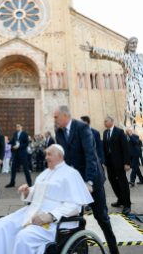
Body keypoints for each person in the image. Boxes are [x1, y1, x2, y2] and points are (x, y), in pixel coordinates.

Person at [0, 144, 93, 254]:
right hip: (31, 212)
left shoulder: (71, 174)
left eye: (49, 154)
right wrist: (28, 192)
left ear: (59, 156)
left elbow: (74, 206)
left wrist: (51, 216)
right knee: (1, 225)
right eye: (46, 154)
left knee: (24, 237)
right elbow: (37, 191)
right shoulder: (45, 173)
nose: (46, 157)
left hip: (55, 220)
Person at [55, 106, 119, 254]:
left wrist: (89, 182)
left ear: (65, 116)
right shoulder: (58, 131)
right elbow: (63, 158)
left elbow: (90, 155)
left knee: (101, 217)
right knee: (76, 218)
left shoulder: (82, 128)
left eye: (56, 117)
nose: (54, 121)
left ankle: (114, 250)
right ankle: (82, 251)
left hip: (92, 180)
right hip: (75, 182)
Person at [103, 116, 131, 215]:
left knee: (123, 182)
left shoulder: (119, 132)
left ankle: (127, 204)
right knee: (112, 181)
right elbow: (104, 148)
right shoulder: (105, 133)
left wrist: (127, 163)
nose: (104, 123)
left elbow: (125, 148)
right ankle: (120, 200)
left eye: (105, 121)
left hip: (119, 162)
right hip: (109, 163)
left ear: (111, 121)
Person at [6, 123, 31, 188]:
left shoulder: (25, 134)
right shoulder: (15, 134)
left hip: (22, 154)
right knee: (13, 168)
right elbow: (13, 141)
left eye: (18, 126)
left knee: (25, 168)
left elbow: (26, 143)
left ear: (21, 127)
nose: (17, 128)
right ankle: (12, 182)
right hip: (15, 154)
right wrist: (7, 142)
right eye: (16, 126)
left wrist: (19, 146)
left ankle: (29, 183)